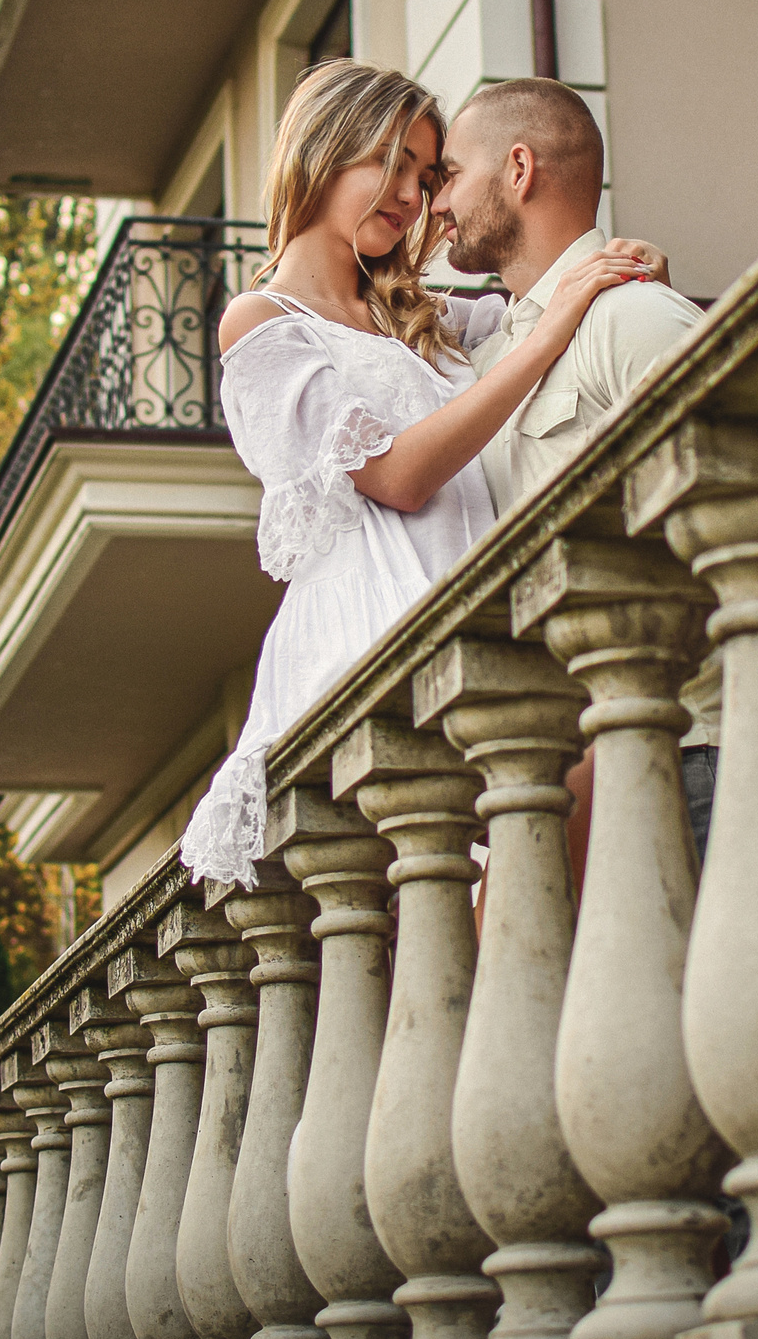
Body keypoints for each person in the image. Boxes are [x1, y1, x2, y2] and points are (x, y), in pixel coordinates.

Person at [176, 60, 670, 889]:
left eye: (426, 171)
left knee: (538, 877)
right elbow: (400, 476)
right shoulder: (260, 323)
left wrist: (620, 268)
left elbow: (535, 298)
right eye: (390, 162)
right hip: (375, 619)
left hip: (476, 599)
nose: (411, 194)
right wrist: (557, 327)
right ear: (323, 155)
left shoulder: (421, 312)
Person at [430, 78, 722, 857]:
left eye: (450, 174)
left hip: (685, 755)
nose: (435, 203)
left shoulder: (634, 315)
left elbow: (734, 504)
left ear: (518, 169)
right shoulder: (492, 359)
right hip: (558, 777)